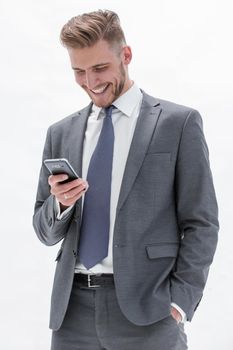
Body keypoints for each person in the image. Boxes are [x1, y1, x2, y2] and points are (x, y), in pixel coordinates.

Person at [33, 9, 219, 350]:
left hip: (149, 312)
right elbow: (44, 231)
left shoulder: (178, 124)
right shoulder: (61, 133)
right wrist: (60, 204)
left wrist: (179, 303)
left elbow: (201, 223)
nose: (91, 82)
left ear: (126, 55)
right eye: (79, 72)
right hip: (71, 314)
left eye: (100, 68)